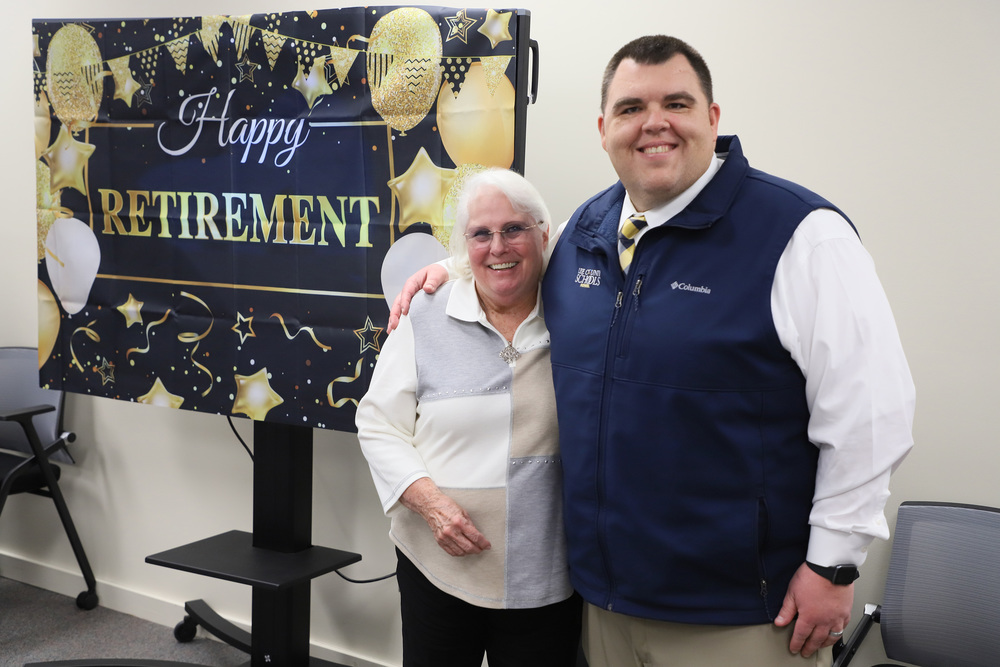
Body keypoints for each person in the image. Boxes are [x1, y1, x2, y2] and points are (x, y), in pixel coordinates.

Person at [387, 35, 915, 667]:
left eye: (677, 103)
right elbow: (511, 257)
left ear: (712, 118)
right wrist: (449, 272)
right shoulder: (585, 234)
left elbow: (871, 412)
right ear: (605, 127)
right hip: (603, 605)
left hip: (741, 615)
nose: (655, 123)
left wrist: (834, 564)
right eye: (633, 107)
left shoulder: (802, 236)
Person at [356, 168, 581, 667]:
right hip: (438, 566)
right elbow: (377, 423)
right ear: (463, 244)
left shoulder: (576, 310)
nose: (498, 246)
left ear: (544, 236)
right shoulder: (425, 313)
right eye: (481, 234)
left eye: (514, 229)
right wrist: (431, 503)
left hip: (544, 571)